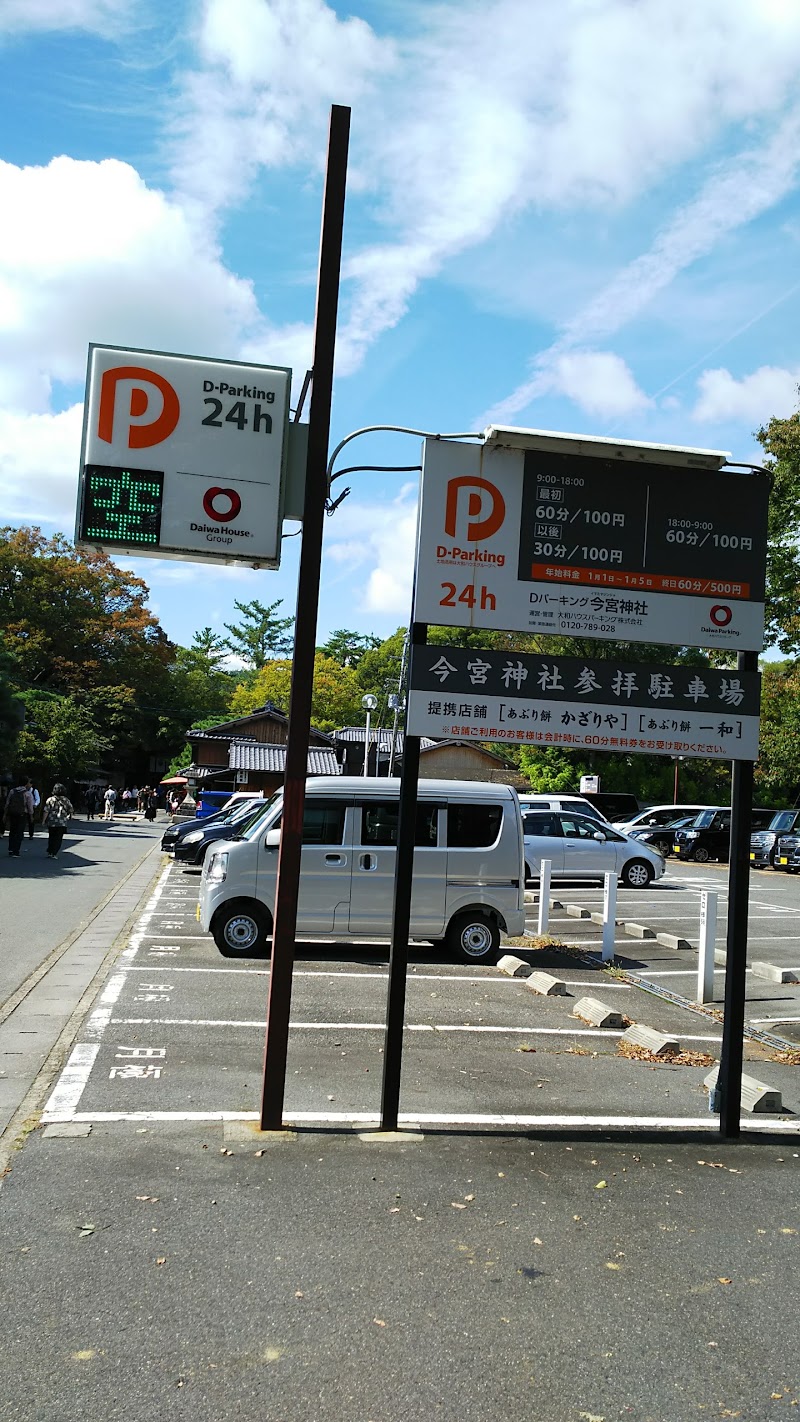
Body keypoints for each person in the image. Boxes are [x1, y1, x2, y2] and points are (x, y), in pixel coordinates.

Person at [4, 776, 34, 858]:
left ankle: (10, 849)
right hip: (22, 814)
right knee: (19, 832)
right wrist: (31, 816)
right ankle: (16, 851)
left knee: (12, 831)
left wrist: (5, 814)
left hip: (12, 813)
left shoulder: (12, 791)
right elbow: (30, 806)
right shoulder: (27, 793)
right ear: (26, 783)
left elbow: (7, 803)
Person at [42, 782, 73, 859]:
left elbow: (46, 811)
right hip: (62, 822)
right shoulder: (66, 800)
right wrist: (69, 816)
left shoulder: (50, 799)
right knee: (58, 838)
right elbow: (71, 810)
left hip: (52, 821)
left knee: (51, 837)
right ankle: (54, 853)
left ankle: (50, 851)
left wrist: (43, 820)